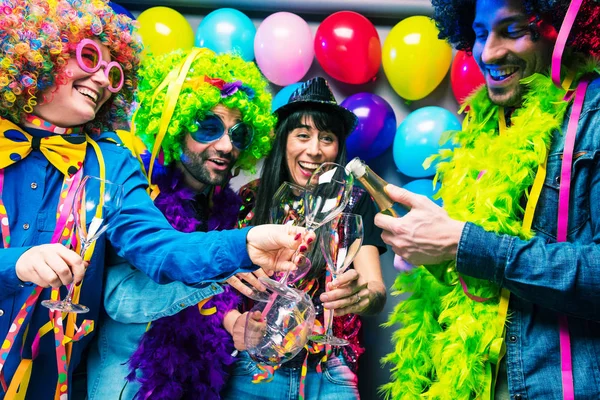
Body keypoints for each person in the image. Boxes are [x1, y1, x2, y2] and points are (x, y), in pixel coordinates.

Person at [0, 1, 309, 398]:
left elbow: (159, 248)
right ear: (40, 56)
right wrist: (16, 263)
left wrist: (245, 244)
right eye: (89, 56)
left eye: (113, 73)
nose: (101, 79)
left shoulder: (111, 163)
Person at [375, 0, 600, 399]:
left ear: (560, 25)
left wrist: (464, 243)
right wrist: (433, 252)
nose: (490, 53)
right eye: (480, 34)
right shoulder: (483, 127)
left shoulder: (595, 116)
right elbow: (481, 287)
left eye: (512, 31)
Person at [86, 47, 278, 399]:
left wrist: (233, 322)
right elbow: (119, 299)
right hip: (131, 383)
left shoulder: (226, 209)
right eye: (209, 127)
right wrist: (215, 273)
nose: (225, 146)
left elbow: (211, 306)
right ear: (174, 126)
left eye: (239, 136)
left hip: (194, 382)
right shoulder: (138, 190)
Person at [221, 76, 388, 400]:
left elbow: (376, 289)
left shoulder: (355, 201)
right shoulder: (249, 199)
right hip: (255, 366)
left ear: (338, 147)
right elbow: (217, 285)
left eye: (326, 138)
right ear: (283, 141)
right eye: (302, 135)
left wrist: (362, 296)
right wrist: (235, 320)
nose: (314, 150)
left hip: (329, 372)